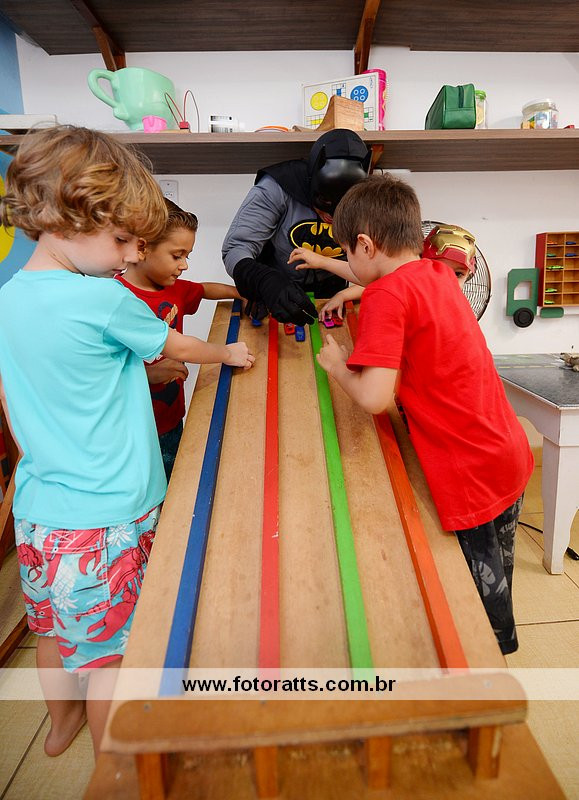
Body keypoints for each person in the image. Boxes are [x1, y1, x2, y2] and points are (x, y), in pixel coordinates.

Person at [0, 125, 254, 758]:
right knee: (113, 655)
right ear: (63, 218)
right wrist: (228, 353)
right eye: (120, 240)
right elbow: (178, 346)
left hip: (41, 512)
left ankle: (60, 727)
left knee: (55, 632)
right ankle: (116, 768)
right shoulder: (102, 299)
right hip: (108, 515)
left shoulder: (9, 298)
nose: (129, 255)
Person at [316, 175, 533, 655]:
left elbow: (374, 397)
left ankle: (485, 668)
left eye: (346, 252)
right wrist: (337, 275)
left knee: (471, 603)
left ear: (365, 245)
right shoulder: (437, 273)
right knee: (499, 575)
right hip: (507, 451)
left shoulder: (385, 296)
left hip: (469, 470)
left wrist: (336, 365)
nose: (350, 263)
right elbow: (382, 281)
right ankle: (500, 646)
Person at [118, 199, 242, 480]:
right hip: (134, 429)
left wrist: (240, 293)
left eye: (187, 256)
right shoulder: (117, 299)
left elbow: (204, 289)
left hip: (171, 420)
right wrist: (147, 375)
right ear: (142, 248)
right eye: (177, 256)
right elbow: (102, 371)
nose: (184, 265)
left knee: (176, 484)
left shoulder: (173, 288)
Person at [222, 128, 371, 325]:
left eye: (343, 207)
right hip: (278, 285)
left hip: (334, 291)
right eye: (326, 203)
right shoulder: (277, 187)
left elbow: (380, 270)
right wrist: (263, 282)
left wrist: (344, 294)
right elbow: (235, 249)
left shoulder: (371, 197)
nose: (332, 217)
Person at [289, 221, 478, 320]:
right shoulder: (411, 288)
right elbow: (377, 281)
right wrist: (342, 293)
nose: (447, 280)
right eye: (438, 268)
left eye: (458, 274)